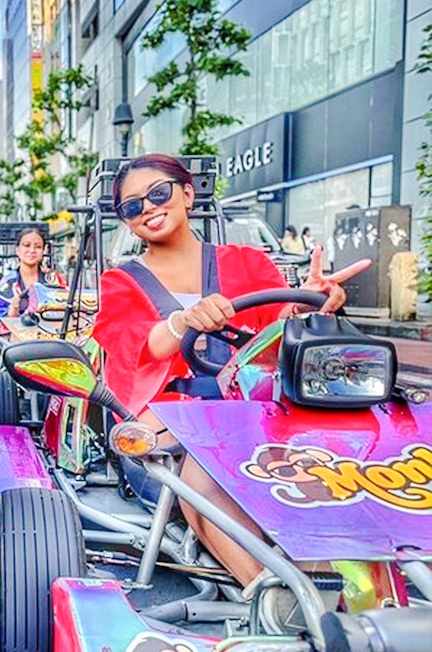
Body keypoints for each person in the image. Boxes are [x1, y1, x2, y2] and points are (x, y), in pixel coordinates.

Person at [92, 153, 371, 632]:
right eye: (133, 206)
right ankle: (286, 600)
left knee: (349, 442)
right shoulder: (121, 282)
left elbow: (282, 333)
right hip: (172, 422)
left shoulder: (246, 262)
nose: (149, 209)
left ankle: (378, 579)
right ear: (127, 222)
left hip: (257, 412)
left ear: (186, 193)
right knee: (206, 464)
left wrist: (313, 302)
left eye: (158, 193)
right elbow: (136, 346)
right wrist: (180, 320)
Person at [0, 228, 64, 320]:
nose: (32, 250)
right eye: (27, 245)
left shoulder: (52, 279)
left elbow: (66, 308)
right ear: (17, 250)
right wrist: (14, 308)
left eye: (38, 247)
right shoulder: (8, 281)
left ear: (44, 251)